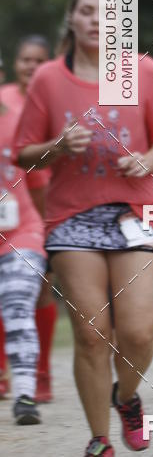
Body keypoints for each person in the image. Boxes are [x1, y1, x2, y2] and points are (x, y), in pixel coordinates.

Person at [15, 0, 153, 457]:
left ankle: (125, 397)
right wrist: (58, 145)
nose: (95, 20)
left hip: (135, 211)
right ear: (72, 17)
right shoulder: (48, 78)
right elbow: (24, 153)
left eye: (106, 12)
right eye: (86, 11)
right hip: (73, 216)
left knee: (138, 333)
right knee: (90, 334)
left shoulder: (144, 72)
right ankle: (99, 439)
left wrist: (150, 159)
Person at [0, 35, 56, 403]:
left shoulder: (46, 102)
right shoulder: (6, 99)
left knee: (36, 291)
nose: (31, 66)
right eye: (25, 60)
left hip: (34, 210)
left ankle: (40, 373)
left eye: (39, 60)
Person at [0, 75, 45, 425]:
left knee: (17, 304)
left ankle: (25, 394)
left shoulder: (18, 122)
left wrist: (50, 234)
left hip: (22, 233)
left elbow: (40, 184)